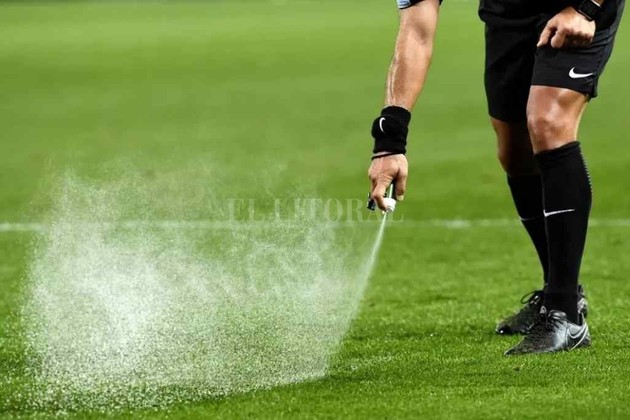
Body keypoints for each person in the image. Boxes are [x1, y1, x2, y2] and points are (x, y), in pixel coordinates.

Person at [368, 0, 624, 355]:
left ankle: (565, 313)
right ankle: (558, 290)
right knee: (514, 151)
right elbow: (416, 33)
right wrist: (389, 142)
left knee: (548, 122)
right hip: (509, 11)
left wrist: (585, 10)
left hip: (576, 7)